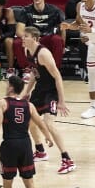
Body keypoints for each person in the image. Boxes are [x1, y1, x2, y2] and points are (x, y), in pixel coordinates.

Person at [21, 27, 76, 174]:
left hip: (51, 91)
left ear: (34, 38)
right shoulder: (27, 51)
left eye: (25, 37)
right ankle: (40, 151)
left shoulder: (43, 54)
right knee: (30, 121)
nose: (22, 39)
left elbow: (57, 76)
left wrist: (62, 101)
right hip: (40, 90)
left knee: (48, 123)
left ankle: (67, 159)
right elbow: (34, 72)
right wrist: (26, 92)